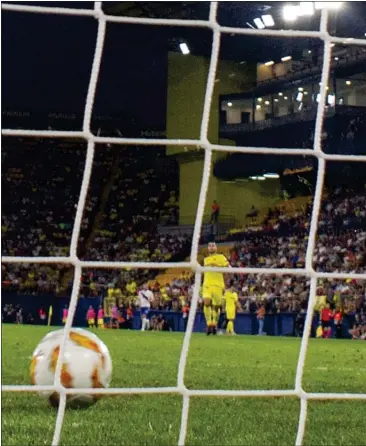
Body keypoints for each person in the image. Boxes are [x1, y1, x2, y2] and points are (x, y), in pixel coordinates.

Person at [202, 241, 230, 335]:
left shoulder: (221, 257)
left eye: (213, 245)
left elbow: (229, 268)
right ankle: (209, 324)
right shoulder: (205, 259)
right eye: (209, 246)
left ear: (216, 248)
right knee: (206, 302)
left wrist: (218, 266)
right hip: (207, 284)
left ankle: (214, 324)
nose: (211, 247)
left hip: (218, 285)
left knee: (216, 307)